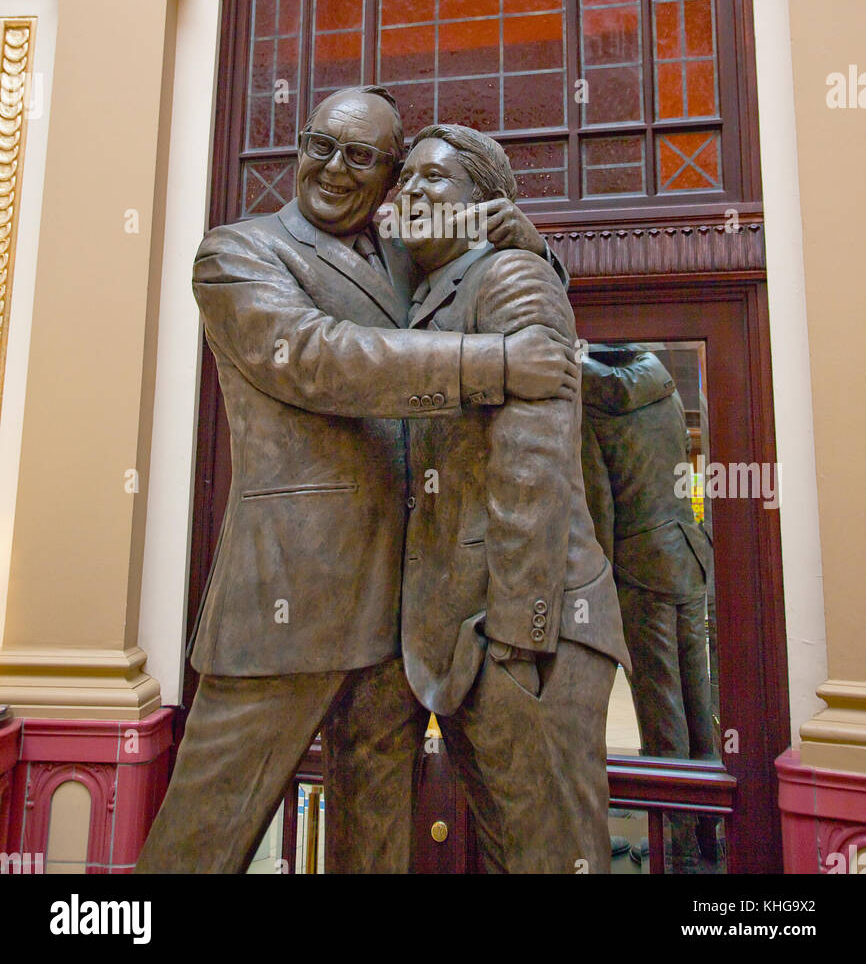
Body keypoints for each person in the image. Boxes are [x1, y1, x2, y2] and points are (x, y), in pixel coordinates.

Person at [136, 86, 575, 874]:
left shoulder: (408, 249)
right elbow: (316, 357)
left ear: (390, 172)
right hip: (287, 603)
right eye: (319, 145)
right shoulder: (239, 253)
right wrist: (498, 365)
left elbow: (496, 273)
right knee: (201, 839)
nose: (334, 168)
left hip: (405, 612)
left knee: (374, 844)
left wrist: (533, 247)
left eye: (362, 156)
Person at [395, 123, 630, 874]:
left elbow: (533, 469)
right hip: (468, 639)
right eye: (404, 181)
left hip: (530, 635)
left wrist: (520, 639)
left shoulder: (509, 278)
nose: (410, 192)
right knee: (510, 850)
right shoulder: (428, 292)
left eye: (434, 179)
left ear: (485, 204)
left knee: (552, 856)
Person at [580, 344, 717, 868]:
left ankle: (677, 852)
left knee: (661, 713)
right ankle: (710, 837)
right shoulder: (665, 387)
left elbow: (600, 507)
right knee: (697, 705)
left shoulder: (590, 405)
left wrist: (599, 584)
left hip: (639, 566)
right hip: (688, 553)